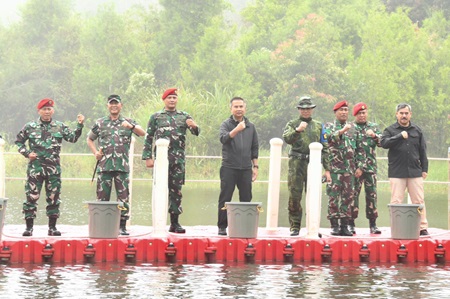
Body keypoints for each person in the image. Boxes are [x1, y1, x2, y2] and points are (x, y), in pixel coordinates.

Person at [15, 98, 85, 236]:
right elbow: (18, 142)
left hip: (53, 169)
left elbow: (72, 138)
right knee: (31, 197)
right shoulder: (30, 126)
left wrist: (80, 125)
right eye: (44, 109)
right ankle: (29, 228)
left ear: (52, 110)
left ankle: (52, 228)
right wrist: (27, 153)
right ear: (39, 111)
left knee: (53, 198)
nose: (47, 112)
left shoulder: (59, 126)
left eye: (49, 109)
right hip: (36, 169)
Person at [142, 88, 200, 234]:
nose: (172, 100)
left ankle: (175, 223)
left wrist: (194, 126)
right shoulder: (156, 117)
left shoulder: (184, 116)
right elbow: (148, 137)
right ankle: (158, 221)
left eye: (174, 97)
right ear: (164, 100)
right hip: (161, 160)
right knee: (160, 189)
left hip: (178, 160)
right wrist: (148, 157)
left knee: (176, 191)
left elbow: (196, 132)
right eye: (169, 98)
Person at [87, 94, 145, 235]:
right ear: (108, 106)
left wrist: (130, 126)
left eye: (116, 103)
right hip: (104, 166)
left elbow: (142, 133)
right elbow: (89, 139)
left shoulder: (128, 121)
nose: (114, 106)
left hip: (121, 167)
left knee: (123, 197)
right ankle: (102, 225)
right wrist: (96, 153)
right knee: (102, 197)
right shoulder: (100, 123)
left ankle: (122, 226)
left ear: (121, 105)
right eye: (111, 103)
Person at [282, 96, 330, 236]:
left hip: (313, 163)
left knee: (313, 195)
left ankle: (313, 225)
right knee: (294, 195)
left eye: (308, 109)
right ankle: (295, 226)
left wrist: (327, 169)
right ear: (299, 109)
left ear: (312, 110)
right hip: (296, 163)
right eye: (303, 109)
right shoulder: (292, 123)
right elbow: (287, 139)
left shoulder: (318, 125)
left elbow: (325, 147)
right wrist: (297, 130)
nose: (306, 111)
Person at [381, 103, 429, 236]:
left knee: (418, 200)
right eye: (401, 113)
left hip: (415, 171)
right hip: (397, 172)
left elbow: (423, 151)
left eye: (406, 113)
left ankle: (422, 227)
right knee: (396, 201)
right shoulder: (390, 130)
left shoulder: (417, 130)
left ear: (410, 115)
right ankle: (396, 227)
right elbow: (383, 143)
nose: (404, 115)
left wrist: (424, 168)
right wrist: (399, 136)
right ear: (396, 114)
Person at [217, 97, 259, 236]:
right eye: (236, 107)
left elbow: (254, 147)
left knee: (246, 197)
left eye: (241, 106)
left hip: (246, 168)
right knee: (225, 197)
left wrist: (256, 167)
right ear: (231, 109)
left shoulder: (250, 126)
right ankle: (222, 226)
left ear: (245, 108)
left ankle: (245, 226)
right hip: (229, 167)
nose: (239, 109)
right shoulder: (226, 124)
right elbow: (223, 139)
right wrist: (236, 130)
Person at [324, 100, 362, 236]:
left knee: (348, 198)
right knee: (333, 197)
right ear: (335, 112)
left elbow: (359, 149)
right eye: (341, 110)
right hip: (334, 169)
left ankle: (344, 225)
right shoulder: (328, 126)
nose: (344, 112)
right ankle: (334, 225)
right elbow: (327, 139)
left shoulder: (354, 128)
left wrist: (360, 167)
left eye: (346, 110)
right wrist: (341, 131)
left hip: (349, 170)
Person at [351, 102, 382, 234]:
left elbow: (382, 142)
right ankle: (350, 224)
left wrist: (374, 136)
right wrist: (357, 166)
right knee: (353, 196)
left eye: (364, 113)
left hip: (370, 168)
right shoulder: (351, 128)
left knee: (372, 196)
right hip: (355, 169)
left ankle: (373, 224)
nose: (362, 115)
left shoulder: (373, 127)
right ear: (355, 115)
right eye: (359, 113)